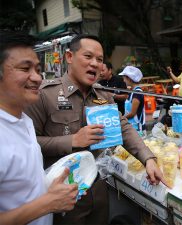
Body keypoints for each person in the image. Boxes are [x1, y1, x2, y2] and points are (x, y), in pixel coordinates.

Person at [25, 34, 166, 225]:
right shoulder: (44, 95)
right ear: (69, 57)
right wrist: (72, 140)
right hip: (63, 194)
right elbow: (28, 144)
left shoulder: (103, 95)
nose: (95, 64)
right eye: (88, 56)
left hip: (98, 186)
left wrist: (148, 158)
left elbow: (123, 127)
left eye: (99, 60)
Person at [0, 31, 78, 225]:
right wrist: (48, 203)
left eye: (37, 69)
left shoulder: (24, 119)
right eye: (25, 68)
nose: (37, 78)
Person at [119, 66, 146, 136]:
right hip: (132, 127)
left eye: (124, 78)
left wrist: (121, 119)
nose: (124, 80)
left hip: (137, 128)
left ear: (129, 78)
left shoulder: (137, 93)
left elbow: (132, 113)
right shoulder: (132, 92)